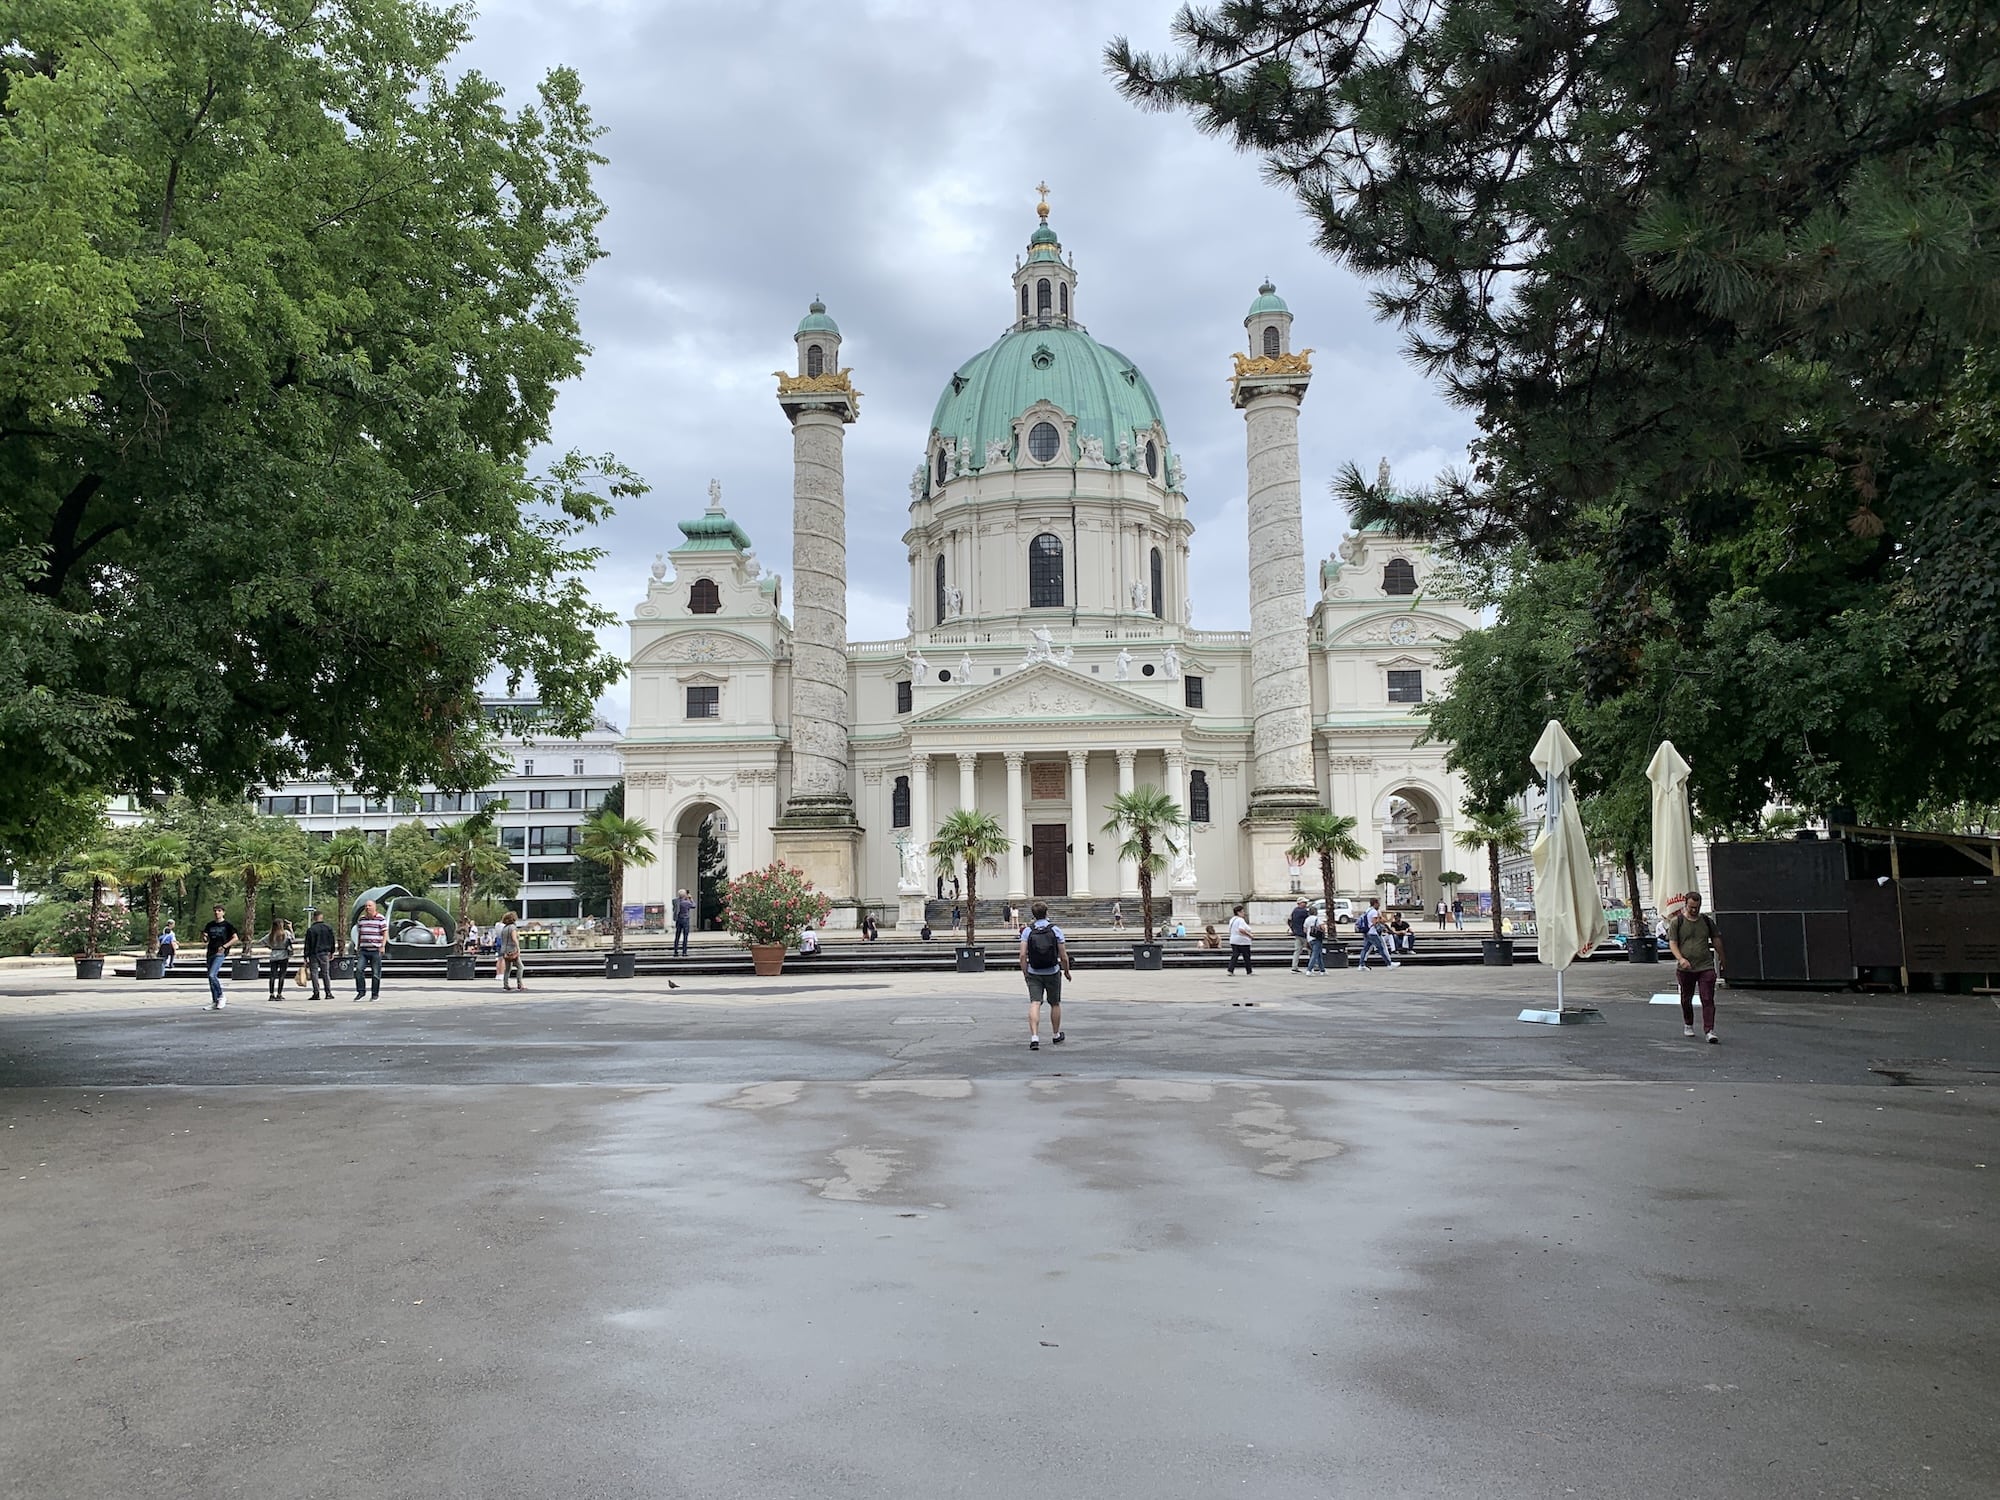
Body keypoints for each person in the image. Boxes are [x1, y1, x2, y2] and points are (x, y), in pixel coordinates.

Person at [1666, 890, 1726, 1043]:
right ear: (1685, 905)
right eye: (1691, 907)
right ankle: (1688, 1023)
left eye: (1697, 907)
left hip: (1705, 965)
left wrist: (1722, 958)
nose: (1694, 910)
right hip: (1685, 968)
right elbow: (1672, 943)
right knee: (1686, 998)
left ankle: (1709, 1030)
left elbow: (1716, 939)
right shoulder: (1677, 922)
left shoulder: (1706, 921)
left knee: (1707, 998)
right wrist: (1680, 959)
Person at [1018, 900, 1072, 1050]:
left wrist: (1025, 973)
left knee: (1035, 1002)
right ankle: (1055, 1034)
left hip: (1034, 971)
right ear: (1046, 913)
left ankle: (1034, 1037)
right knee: (1054, 1003)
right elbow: (1063, 955)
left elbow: (1022, 955)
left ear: (1033, 915)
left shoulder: (1027, 931)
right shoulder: (1055, 930)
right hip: (1052, 970)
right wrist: (1066, 971)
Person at [200, 905, 238, 1010]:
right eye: (215, 911)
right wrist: (204, 937)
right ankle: (215, 1000)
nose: (217, 913)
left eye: (219, 911)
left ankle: (221, 996)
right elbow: (205, 939)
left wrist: (224, 946)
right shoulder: (210, 925)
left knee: (213, 975)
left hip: (220, 952)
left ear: (223, 912)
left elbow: (235, 938)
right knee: (210, 977)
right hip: (210, 951)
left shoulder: (227, 925)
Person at [352, 900, 387, 1001]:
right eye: (366, 906)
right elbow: (360, 934)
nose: (367, 908)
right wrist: (358, 946)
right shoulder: (362, 919)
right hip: (364, 950)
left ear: (374, 907)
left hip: (375, 949)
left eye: (370, 906)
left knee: (376, 973)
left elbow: (385, 933)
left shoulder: (380, 918)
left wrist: (383, 945)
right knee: (359, 970)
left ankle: (375, 994)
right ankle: (361, 992)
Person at [302, 908, 337, 1001]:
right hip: (325, 953)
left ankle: (316, 993)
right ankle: (328, 992)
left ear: (314, 918)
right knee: (325, 973)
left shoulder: (311, 930)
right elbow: (332, 941)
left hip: (313, 954)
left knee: (314, 973)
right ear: (322, 917)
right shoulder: (328, 928)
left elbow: (307, 944)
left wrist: (305, 956)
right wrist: (332, 951)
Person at [1356, 900, 1399, 970]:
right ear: (1375, 903)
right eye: (1378, 904)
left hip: (1367, 932)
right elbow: (1374, 922)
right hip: (1373, 933)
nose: (1379, 905)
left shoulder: (1367, 910)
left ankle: (1361, 964)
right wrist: (1380, 920)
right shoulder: (1374, 912)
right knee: (1381, 948)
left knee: (1365, 948)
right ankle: (1389, 964)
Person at [265, 918, 295, 1002]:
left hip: (274, 955)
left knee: (272, 975)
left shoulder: (271, 935)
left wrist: (270, 946)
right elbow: (293, 939)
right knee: (282, 975)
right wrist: (291, 928)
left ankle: (271, 994)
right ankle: (279, 994)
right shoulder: (286, 933)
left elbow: (262, 941)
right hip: (284, 955)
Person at [1226, 904, 1254, 974]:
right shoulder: (1241, 920)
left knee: (1235, 955)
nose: (1244, 913)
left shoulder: (1232, 919)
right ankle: (1249, 971)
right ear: (1238, 912)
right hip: (1242, 941)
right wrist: (1249, 935)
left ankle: (1230, 970)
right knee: (1246, 956)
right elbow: (1241, 929)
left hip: (1233, 940)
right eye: (1242, 911)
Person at [1287, 897, 1311, 973]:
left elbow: (1289, 920)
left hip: (1297, 934)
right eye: (1304, 902)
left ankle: (1294, 967)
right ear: (1300, 903)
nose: (1306, 904)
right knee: (1311, 950)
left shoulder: (1294, 911)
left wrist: (1292, 928)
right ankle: (1314, 965)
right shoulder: (1304, 912)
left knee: (1297, 951)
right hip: (1304, 934)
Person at [1306, 905, 1328, 973]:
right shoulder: (1317, 919)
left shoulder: (1307, 919)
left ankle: (1322, 970)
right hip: (1317, 938)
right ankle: (1309, 969)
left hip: (1309, 938)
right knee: (1315, 954)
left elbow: (1304, 929)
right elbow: (1323, 927)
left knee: (1318, 954)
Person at [672, 887, 694, 957]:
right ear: (685, 895)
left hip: (678, 919)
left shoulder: (676, 901)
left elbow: (674, 907)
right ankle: (684, 952)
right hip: (685, 919)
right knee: (685, 936)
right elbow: (693, 905)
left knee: (677, 936)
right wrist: (690, 898)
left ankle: (675, 951)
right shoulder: (686, 902)